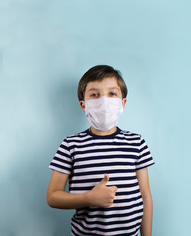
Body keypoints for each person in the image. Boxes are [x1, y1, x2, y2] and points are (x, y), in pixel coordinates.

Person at [47, 65, 154, 236]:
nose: (104, 101)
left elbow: (145, 196)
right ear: (84, 105)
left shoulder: (137, 142)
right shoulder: (70, 145)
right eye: (95, 95)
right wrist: (89, 198)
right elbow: (52, 197)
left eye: (112, 94)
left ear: (122, 102)